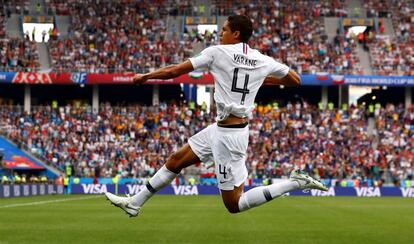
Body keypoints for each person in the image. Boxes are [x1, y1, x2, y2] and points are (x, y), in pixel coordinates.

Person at [105, 15, 328, 217]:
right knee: (176, 160)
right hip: (222, 129)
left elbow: (174, 71)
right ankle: (135, 202)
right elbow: (296, 80)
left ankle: (294, 183)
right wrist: (263, 79)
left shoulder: (217, 52)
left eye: (224, 30)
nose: (220, 34)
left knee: (234, 204)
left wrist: (145, 76)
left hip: (229, 137)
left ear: (236, 34)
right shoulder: (262, 59)